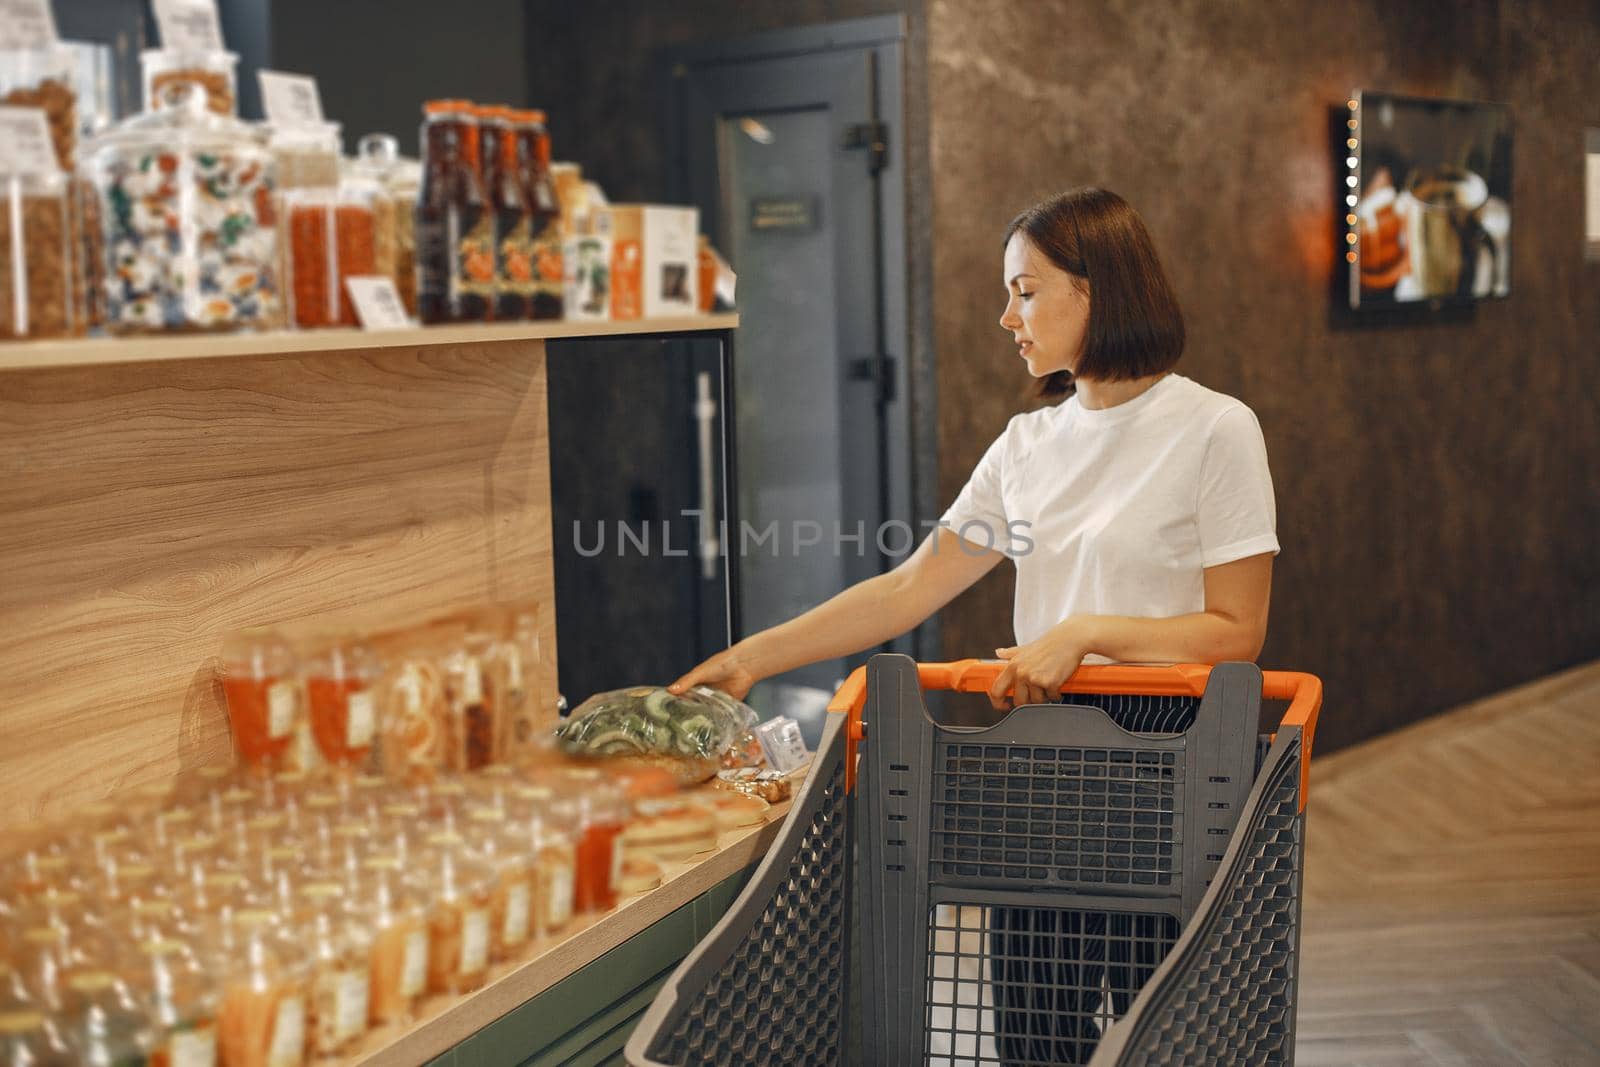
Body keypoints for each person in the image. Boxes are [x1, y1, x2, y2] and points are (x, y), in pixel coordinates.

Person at [670, 186, 1278, 714]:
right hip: (1048, 730)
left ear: (1099, 291)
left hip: (1177, 745)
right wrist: (750, 659)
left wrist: (1086, 634)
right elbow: (905, 590)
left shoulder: (1215, 428)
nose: (1006, 317)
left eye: (1026, 292)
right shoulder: (1025, 444)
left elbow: (1237, 632)